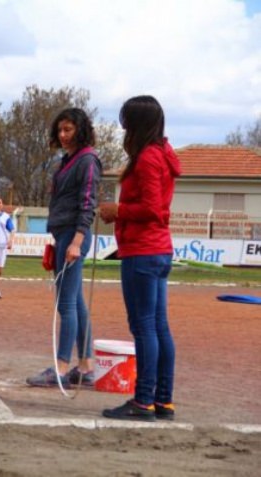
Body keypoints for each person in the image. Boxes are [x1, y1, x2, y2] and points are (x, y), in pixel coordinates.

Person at [99, 96, 181, 421]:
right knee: (158, 327)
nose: (123, 130)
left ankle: (143, 400)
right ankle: (163, 400)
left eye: (127, 123)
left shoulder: (148, 158)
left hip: (143, 251)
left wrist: (117, 210)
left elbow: (152, 209)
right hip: (158, 250)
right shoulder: (162, 154)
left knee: (144, 327)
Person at [26, 108, 101, 389]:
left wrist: (77, 242)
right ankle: (87, 366)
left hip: (74, 236)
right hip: (62, 234)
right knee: (77, 303)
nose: (62, 135)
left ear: (80, 130)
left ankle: (61, 366)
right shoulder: (67, 161)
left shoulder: (88, 160)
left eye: (68, 130)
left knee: (66, 304)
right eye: (60, 130)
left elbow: (88, 203)